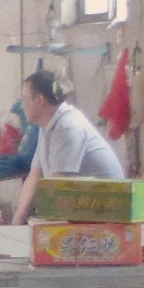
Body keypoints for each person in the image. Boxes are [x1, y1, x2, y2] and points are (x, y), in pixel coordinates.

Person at [11, 69, 126, 223]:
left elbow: (58, 186)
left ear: (39, 100)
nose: (22, 107)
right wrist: (16, 223)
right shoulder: (46, 126)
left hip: (105, 215)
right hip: (83, 210)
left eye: (24, 101)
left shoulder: (68, 127)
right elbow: (34, 176)